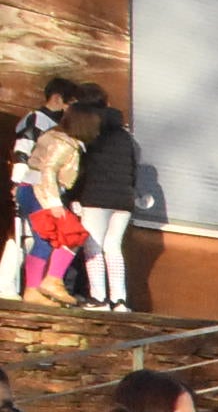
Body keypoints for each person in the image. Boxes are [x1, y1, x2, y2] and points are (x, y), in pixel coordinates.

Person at [3, 77, 75, 299]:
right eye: (68, 103)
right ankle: (6, 284)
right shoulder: (36, 119)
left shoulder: (60, 126)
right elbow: (22, 151)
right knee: (24, 236)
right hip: (31, 186)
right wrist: (17, 183)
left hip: (46, 189)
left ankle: (32, 286)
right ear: (57, 98)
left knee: (37, 239)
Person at [17, 101, 90, 309]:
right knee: (73, 235)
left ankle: (32, 289)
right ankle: (52, 280)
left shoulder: (51, 134)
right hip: (43, 192)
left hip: (30, 189)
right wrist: (54, 202)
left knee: (44, 240)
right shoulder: (65, 142)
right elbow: (49, 169)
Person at [68, 96, 136, 313]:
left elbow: (84, 169)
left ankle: (99, 298)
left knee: (93, 246)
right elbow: (134, 168)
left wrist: (75, 195)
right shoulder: (125, 136)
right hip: (124, 199)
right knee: (114, 247)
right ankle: (120, 300)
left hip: (95, 197)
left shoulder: (93, 133)